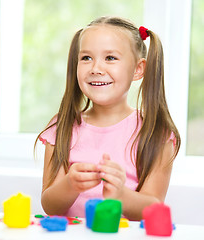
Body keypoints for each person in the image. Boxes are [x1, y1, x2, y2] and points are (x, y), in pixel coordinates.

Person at [34, 16, 180, 220]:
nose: (96, 68)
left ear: (138, 69)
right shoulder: (61, 127)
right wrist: (70, 185)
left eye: (110, 58)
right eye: (86, 58)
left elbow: (153, 208)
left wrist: (121, 196)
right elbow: (50, 205)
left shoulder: (156, 132)